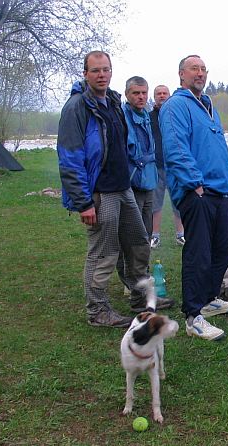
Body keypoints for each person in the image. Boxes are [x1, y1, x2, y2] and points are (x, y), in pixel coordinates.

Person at [57, 51, 150, 328]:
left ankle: (139, 297)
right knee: (103, 252)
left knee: (138, 244)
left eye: (106, 69)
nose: (102, 75)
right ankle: (97, 310)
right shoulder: (77, 107)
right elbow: (70, 158)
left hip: (123, 188)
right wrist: (83, 202)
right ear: (85, 73)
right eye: (96, 70)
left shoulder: (112, 101)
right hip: (101, 192)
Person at [159, 55, 228, 341]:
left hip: (221, 190)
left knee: (223, 250)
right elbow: (176, 148)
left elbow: (216, 147)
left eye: (204, 69)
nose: (201, 73)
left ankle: (208, 299)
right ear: (181, 74)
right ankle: (194, 316)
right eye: (194, 68)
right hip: (199, 193)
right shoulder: (176, 106)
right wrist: (195, 185)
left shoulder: (208, 106)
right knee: (199, 254)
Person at [116, 76, 174, 310]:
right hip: (131, 185)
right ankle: (138, 294)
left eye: (143, 93)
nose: (140, 97)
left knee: (145, 237)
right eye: (135, 93)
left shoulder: (147, 116)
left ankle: (138, 287)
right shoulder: (123, 117)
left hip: (148, 182)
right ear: (127, 94)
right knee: (134, 240)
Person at [149, 84, 185, 249]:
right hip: (156, 166)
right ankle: (155, 236)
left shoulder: (175, 116)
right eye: (159, 93)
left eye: (165, 93)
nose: (162, 96)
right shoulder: (148, 117)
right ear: (154, 97)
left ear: (169, 96)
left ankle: (181, 235)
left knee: (178, 203)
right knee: (155, 204)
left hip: (174, 166)